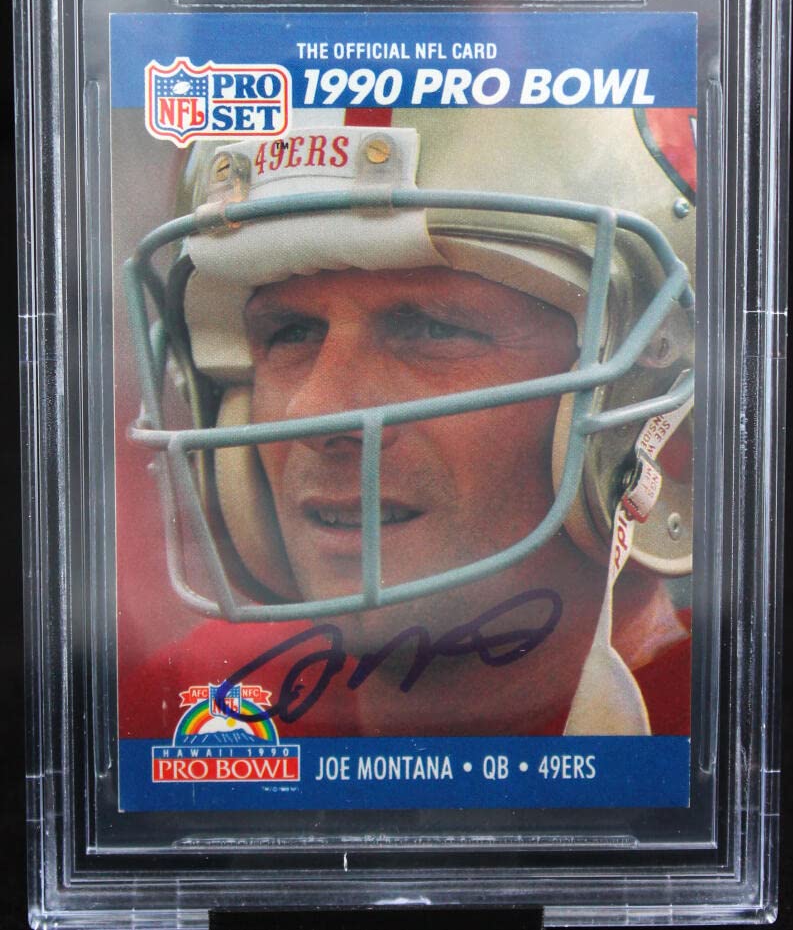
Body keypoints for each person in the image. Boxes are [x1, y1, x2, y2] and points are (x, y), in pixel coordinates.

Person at [122, 106, 695, 740]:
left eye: (431, 328)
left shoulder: (728, 735)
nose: (314, 412)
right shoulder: (189, 711)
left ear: (642, 397)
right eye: (292, 333)